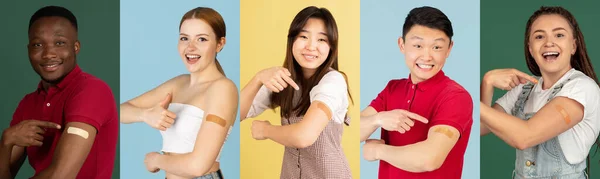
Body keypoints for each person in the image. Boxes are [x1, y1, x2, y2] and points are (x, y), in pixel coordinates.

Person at [480, 6, 600, 178]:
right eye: (539, 36)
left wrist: (469, 103)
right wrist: (487, 82)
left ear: (573, 46)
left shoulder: (582, 88)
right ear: (530, 49)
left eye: (559, 35)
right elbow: (480, 126)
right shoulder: (524, 90)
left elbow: (525, 136)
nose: (548, 42)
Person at [0, 6, 118, 179]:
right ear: (29, 50)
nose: (48, 54)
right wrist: (6, 142)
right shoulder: (28, 103)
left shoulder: (93, 91)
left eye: (59, 43)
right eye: (38, 45)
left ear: (76, 47)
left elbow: (60, 176)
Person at [119, 7, 238, 179]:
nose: (190, 47)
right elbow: (118, 111)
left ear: (220, 44)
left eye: (202, 39)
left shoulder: (223, 89)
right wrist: (145, 115)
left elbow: (198, 166)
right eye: (184, 38)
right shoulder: (178, 84)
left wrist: (156, 160)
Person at [240, 6, 352, 179]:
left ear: (331, 46)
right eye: (303, 36)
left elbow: (304, 136)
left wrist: (266, 130)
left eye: (322, 39)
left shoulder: (333, 81)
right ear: (292, 40)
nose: (311, 46)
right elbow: (234, 114)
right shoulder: (284, 79)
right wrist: (257, 79)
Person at [360, 6, 473, 179]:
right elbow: (350, 132)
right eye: (418, 45)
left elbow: (430, 158)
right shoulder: (392, 89)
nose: (427, 56)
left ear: (449, 49)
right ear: (402, 45)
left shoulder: (455, 97)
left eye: (437, 47)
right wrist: (378, 118)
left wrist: (377, 151)